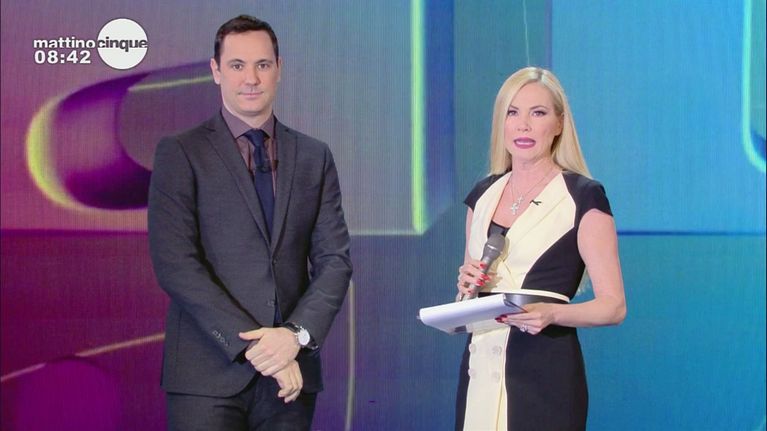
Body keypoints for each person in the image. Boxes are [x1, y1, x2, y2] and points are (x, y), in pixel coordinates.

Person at [147, 15, 352, 430]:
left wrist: (293, 336)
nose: (251, 79)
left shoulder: (314, 156)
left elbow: (335, 260)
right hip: (207, 376)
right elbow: (175, 263)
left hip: (290, 377)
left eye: (262, 65)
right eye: (237, 65)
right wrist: (259, 348)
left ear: (279, 69)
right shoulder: (181, 152)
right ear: (216, 71)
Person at [454, 67, 626, 430]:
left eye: (538, 113)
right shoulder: (482, 196)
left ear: (559, 124)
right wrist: (465, 289)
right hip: (481, 367)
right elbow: (467, 300)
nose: (523, 126)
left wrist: (552, 313)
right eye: (513, 113)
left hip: (545, 372)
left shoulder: (583, 196)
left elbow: (613, 307)